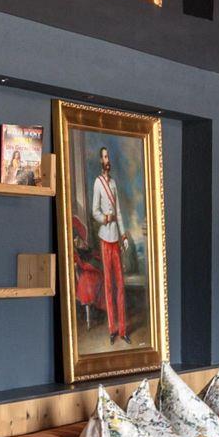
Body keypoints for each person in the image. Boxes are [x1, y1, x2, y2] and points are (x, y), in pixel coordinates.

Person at [90, 146, 130, 343]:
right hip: (105, 238)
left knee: (120, 285)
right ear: (101, 160)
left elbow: (119, 212)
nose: (107, 160)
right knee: (108, 285)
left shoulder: (113, 183)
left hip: (115, 238)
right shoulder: (98, 183)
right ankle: (112, 329)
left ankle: (123, 330)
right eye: (105, 157)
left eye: (109, 157)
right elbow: (94, 211)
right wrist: (105, 218)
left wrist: (123, 236)